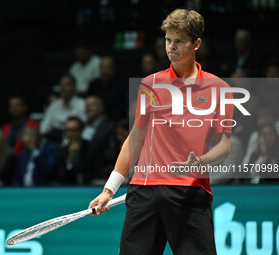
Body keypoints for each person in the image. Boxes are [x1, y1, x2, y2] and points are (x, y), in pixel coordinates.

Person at [88, 9, 234, 255]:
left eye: (179, 41)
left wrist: (199, 161)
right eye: (168, 40)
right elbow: (135, 139)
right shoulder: (150, 84)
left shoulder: (218, 88)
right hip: (145, 190)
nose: (171, 47)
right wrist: (109, 189)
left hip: (189, 191)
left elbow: (224, 145)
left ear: (196, 43)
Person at [40, 74, 86, 143]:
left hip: (72, 140)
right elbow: (45, 124)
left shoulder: (82, 104)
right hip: (53, 138)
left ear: (74, 87)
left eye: (67, 85)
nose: (63, 88)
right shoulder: (55, 104)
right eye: (62, 85)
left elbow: (81, 127)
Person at [87, 56, 127, 121]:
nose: (104, 71)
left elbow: (123, 109)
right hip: (95, 120)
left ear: (114, 68)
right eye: (102, 68)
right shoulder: (94, 84)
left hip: (115, 121)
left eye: (108, 68)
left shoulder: (123, 84)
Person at [58, 117, 89, 184]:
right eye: (67, 130)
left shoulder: (90, 147)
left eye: (73, 130)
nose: (69, 133)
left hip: (88, 187)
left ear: (81, 130)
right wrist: (70, 158)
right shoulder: (62, 150)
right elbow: (61, 176)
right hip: (69, 188)